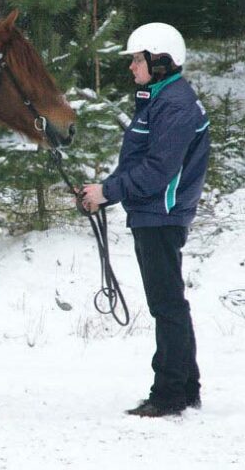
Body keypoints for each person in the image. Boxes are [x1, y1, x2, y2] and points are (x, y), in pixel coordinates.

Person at [81, 22, 210, 417]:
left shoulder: (175, 105)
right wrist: (102, 190)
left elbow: (158, 169)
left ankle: (169, 394)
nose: (132, 67)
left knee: (166, 305)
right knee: (170, 303)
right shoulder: (159, 100)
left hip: (161, 215)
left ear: (160, 61)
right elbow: (139, 162)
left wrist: (107, 192)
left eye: (137, 59)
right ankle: (186, 387)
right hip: (154, 214)